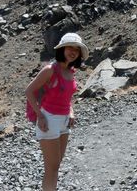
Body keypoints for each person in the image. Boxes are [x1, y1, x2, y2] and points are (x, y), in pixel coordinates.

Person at [25, 33, 88, 191]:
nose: (73, 51)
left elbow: (66, 97)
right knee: (51, 169)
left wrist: (71, 111)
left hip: (64, 121)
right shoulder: (50, 70)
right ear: (62, 49)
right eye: (70, 47)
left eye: (76, 49)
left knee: (56, 166)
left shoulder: (70, 71)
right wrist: (40, 116)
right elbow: (29, 91)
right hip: (49, 120)